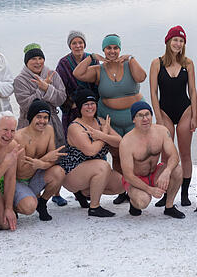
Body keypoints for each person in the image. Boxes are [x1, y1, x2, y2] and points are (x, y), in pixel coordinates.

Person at [73, 33, 147, 204]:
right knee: (116, 155)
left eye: (115, 47)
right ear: (104, 50)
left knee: (135, 154)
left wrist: (132, 58)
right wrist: (91, 57)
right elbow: (78, 73)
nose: (112, 51)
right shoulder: (99, 69)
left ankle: (137, 187)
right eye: (108, 48)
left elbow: (141, 77)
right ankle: (123, 190)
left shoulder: (129, 64)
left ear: (120, 49)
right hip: (110, 118)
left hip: (132, 118)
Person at [12, 42, 68, 206]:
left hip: (52, 119)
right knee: (28, 156)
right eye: (33, 59)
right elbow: (26, 104)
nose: (37, 62)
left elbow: (61, 98)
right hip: (28, 123)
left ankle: (55, 193)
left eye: (40, 58)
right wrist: (43, 88)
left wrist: (47, 88)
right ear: (26, 62)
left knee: (55, 154)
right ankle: (24, 189)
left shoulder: (52, 74)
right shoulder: (20, 80)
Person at [149, 25, 197, 207]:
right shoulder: (157, 63)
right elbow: (153, 92)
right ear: (168, 41)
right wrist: (158, 119)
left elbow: (192, 91)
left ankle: (184, 193)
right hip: (164, 112)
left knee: (185, 153)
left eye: (181, 41)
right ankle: (165, 194)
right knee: (166, 155)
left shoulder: (188, 63)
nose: (178, 44)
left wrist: (195, 114)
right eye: (175, 40)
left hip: (185, 110)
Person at [59, 89, 125, 217]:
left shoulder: (101, 121)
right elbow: (90, 151)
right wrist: (104, 135)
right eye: (86, 104)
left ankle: (84, 192)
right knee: (103, 165)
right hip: (72, 172)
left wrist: (101, 134)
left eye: (92, 103)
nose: (90, 107)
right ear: (79, 107)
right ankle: (94, 207)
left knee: (121, 185)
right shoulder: (75, 127)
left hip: (93, 171)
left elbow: (119, 141)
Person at [119, 101, 186, 219]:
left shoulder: (162, 131)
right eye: (140, 115)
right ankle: (133, 203)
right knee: (143, 201)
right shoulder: (126, 142)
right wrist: (150, 190)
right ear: (133, 119)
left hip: (155, 173)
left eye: (147, 114)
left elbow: (174, 156)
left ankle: (169, 207)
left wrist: (167, 171)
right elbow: (128, 175)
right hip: (136, 179)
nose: (145, 119)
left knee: (177, 170)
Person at [13, 99, 67, 221]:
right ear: (31, 117)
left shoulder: (49, 131)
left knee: (59, 172)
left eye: (45, 117)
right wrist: (44, 159)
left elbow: (53, 158)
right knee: (28, 208)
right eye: (39, 117)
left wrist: (41, 163)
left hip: (35, 175)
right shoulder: (19, 137)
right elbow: (21, 172)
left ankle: (42, 203)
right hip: (19, 181)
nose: (42, 121)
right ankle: (12, 206)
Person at [56, 30, 100, 131]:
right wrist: (70, 104)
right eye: (74, 43)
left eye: (80, 43)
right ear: (70, 46)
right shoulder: (64, 63)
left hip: (90, 104)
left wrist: (94, 102)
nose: (78, 46)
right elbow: (60, 86)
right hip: (73, 105)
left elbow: (98, 83)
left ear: (84, 44)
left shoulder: (93, 60)